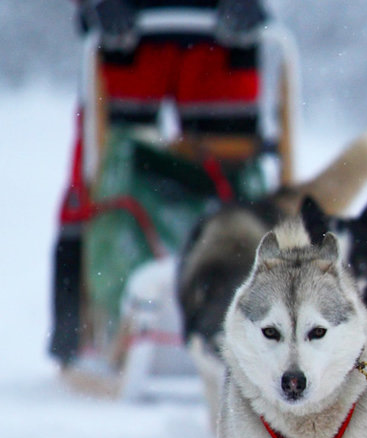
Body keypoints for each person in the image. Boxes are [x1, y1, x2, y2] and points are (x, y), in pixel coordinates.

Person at [50, 0, 271, 366]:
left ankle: (253, 315)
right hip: (126, 28)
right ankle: (81, 329)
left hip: (222, 33)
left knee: (234, 170)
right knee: (105, 167)